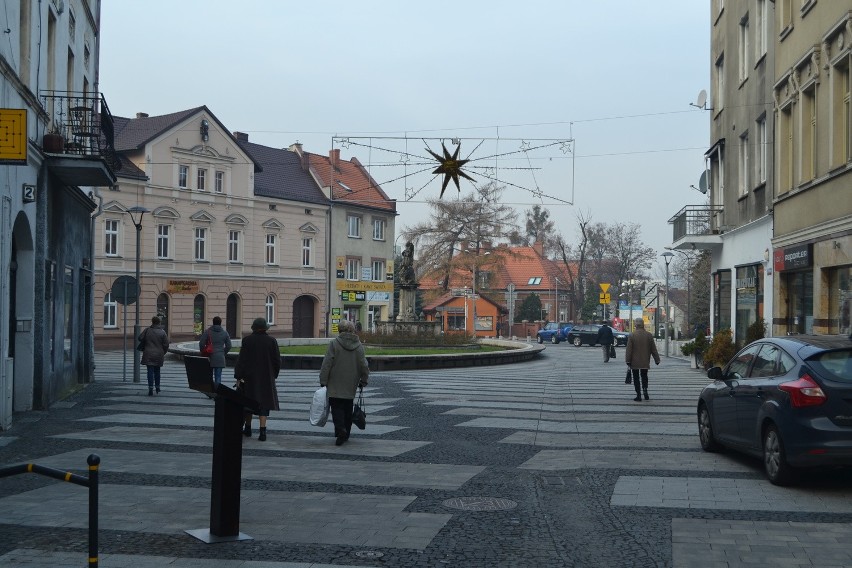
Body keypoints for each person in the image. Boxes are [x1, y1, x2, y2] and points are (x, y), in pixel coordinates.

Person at [319, 319, 370, 446]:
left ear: (340, 330)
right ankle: (346, 433)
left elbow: (327, 363)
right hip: (351, 383)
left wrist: (323, 379)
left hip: (335, 382)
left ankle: (340, 429)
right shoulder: (358, 345)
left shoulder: (334, 344)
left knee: (336, 408)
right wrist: (364, 380)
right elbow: (364, 365)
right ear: (352, 330)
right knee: (348, 408)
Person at [234, 318, 280, 442]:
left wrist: (238, 376)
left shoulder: (247, 340)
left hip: (249, 378)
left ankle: (247, 428)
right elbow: (277, 361)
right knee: (264, 405)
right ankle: (262, 432)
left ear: (253, 327)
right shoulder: (271, 341)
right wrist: (273, 375)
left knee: (248, 403)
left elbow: (241, 360)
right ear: (265, 328)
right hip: (266, 378)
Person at [625, 318, 660, 402]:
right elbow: (653, 349)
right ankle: (645, 390)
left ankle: (638, 395)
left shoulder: (632, 335)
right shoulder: (649, 335)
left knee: (636, 378)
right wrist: (657, 359)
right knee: (644, 376)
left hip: (634, 361)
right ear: (643, 324)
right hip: (645, 360)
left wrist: (628, 360)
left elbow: (629, 349)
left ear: (635, 325)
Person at [139, 316, 170, 396]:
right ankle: (157, 387)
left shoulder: (147, 330)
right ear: (159, 322)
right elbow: (166, 344)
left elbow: (140, 338)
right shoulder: (162, 332)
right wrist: (163, 352)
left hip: (148, 353)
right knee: (157, 371)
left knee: (149, 371)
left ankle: (150, 388)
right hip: (159, 354)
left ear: (152, 322)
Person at [198, 316, 232, 388]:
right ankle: (217, 392)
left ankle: (210, 391)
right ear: (220, 323)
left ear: (213, 322)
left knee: (209, 376)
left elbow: (201, 343)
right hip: (220, 357)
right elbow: (229, 346)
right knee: (218, 377)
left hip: (209, 357)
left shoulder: (208, 332)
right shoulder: (225, 333)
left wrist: (203, 352)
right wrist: (223, 353)